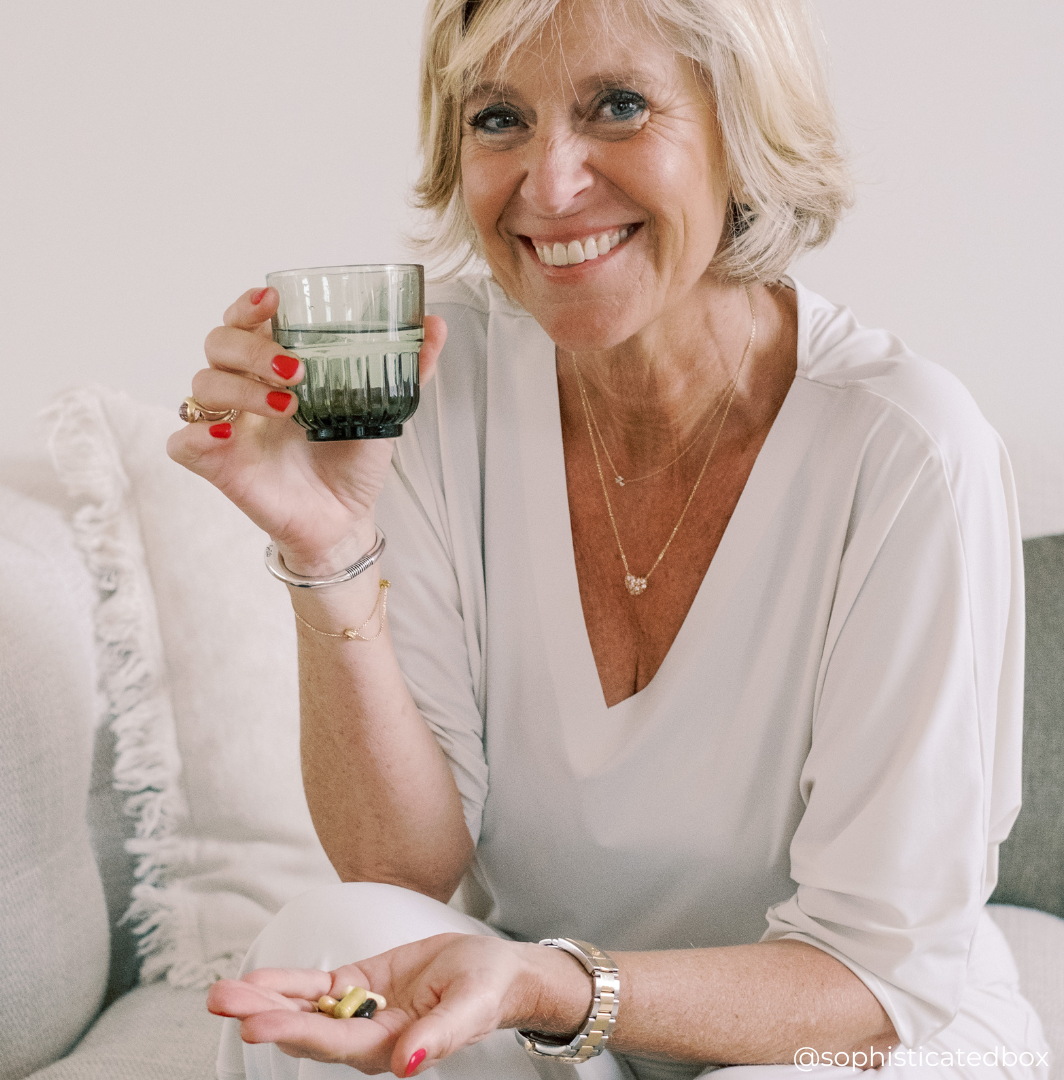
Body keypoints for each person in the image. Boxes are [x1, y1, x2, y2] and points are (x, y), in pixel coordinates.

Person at [168, 1, 1050, 1078]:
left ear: (744, 131)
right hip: (553, 1020)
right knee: (326, 940)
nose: (548, 184)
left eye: (620, 107)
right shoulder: (440, 390)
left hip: (847, 1045)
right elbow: (395, 869)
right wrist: (328, 546)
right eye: (498, 119)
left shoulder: (909, 451)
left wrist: (559, 985)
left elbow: (877, 980)